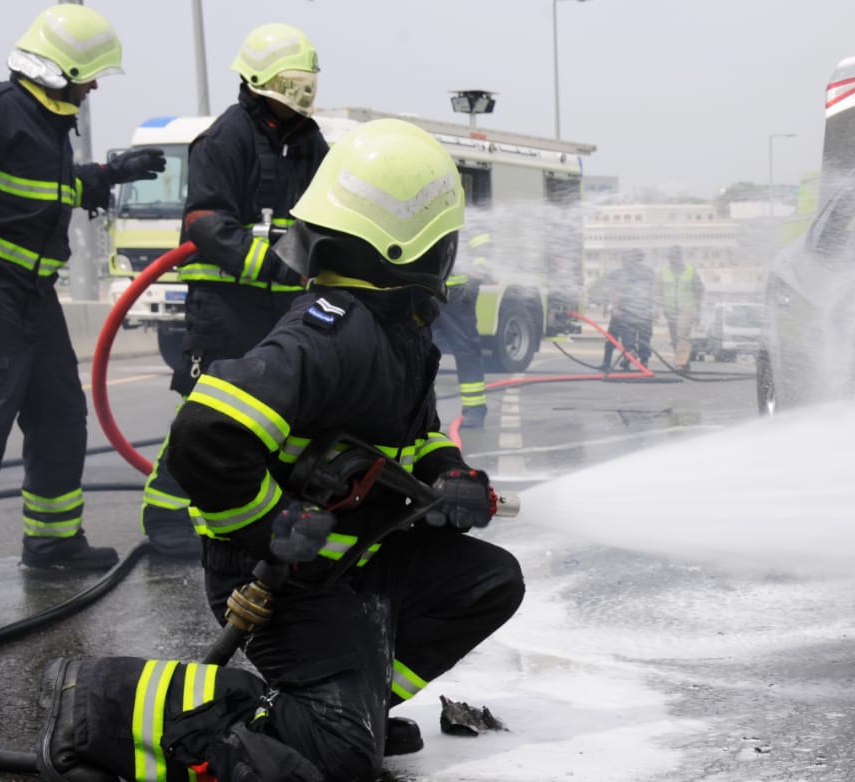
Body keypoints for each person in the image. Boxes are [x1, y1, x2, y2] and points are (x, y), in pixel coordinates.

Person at [36, 118, 525, 782]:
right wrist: (270, 526)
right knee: (339, 760)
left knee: (489, 582)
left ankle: (354, 710)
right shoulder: (336, 335)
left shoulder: (393, 329)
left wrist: (450, 472)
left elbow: (417, 434)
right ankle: (100, 702)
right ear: (415, 244)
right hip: (284, 579)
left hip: (350, 559)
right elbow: (206, 432)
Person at [0, 5, 166, 600]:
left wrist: (109, 173)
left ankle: (53, 542)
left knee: (60, 412)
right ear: (64, 69)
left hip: (35, 291)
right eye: (89, 76)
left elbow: (47, 193)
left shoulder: (46, 129)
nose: (91, 87)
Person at [140, 22, 328, 559]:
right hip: (224, 306)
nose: (302, 98)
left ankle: (254, 515)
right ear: (262, 82)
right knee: (206, 413)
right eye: (293, 87)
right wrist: (277, 265)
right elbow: (205, 222)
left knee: (276, 414)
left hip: (281, 306)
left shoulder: (309, 143)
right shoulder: (226, 137)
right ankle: (166, 516)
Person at [434, 230, 493, 428]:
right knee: (423, 351)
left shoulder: (464, 218)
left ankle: (475, 411)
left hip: (458, 295)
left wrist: (476, 274)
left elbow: (482, 244)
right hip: (429, 291)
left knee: (466, 350)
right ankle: (422, 412)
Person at [600, 249, 655, 372]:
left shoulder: (623, 274)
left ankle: (632, 358)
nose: (624, 262)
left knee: (630, 338)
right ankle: (634, 361)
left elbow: (619, 292)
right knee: (636, 338)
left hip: (625, 312)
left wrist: (614, 308)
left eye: (626, 259)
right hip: (641, 312)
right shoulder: (646, 273)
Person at [659, 246, 704, 372]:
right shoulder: (664, 272)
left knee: (682, 336)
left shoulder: (691, 271)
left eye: (673, 256)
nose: (671, 260)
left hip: (687, 309)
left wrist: (698, 310)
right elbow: (657, 291)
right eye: (669, 257)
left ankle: (680, 363)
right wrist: (656, 308)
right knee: (675, 338)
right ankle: (684, 361)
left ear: (679, 257)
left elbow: (699, 291)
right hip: (670, 310)